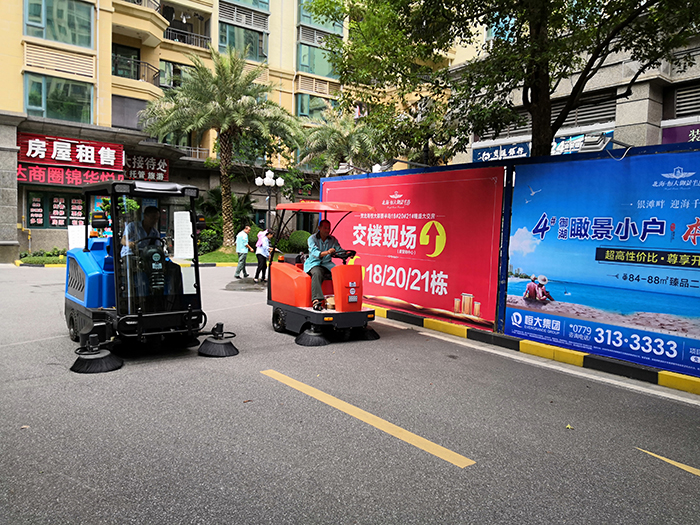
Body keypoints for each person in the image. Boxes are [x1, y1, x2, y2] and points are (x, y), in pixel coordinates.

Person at [304, 219, 342, 310]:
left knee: (339, 273)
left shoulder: (333, 239)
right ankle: (316, 300)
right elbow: (315, 253)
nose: (327, 230)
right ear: (319, 228)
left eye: (328, 228)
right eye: (325, 228)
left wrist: (348, 253)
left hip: (327, 264)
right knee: (317, 273)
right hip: (314, 263)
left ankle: (340, 298)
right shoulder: (312, 239)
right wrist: (328, 252)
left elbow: (339, 250)